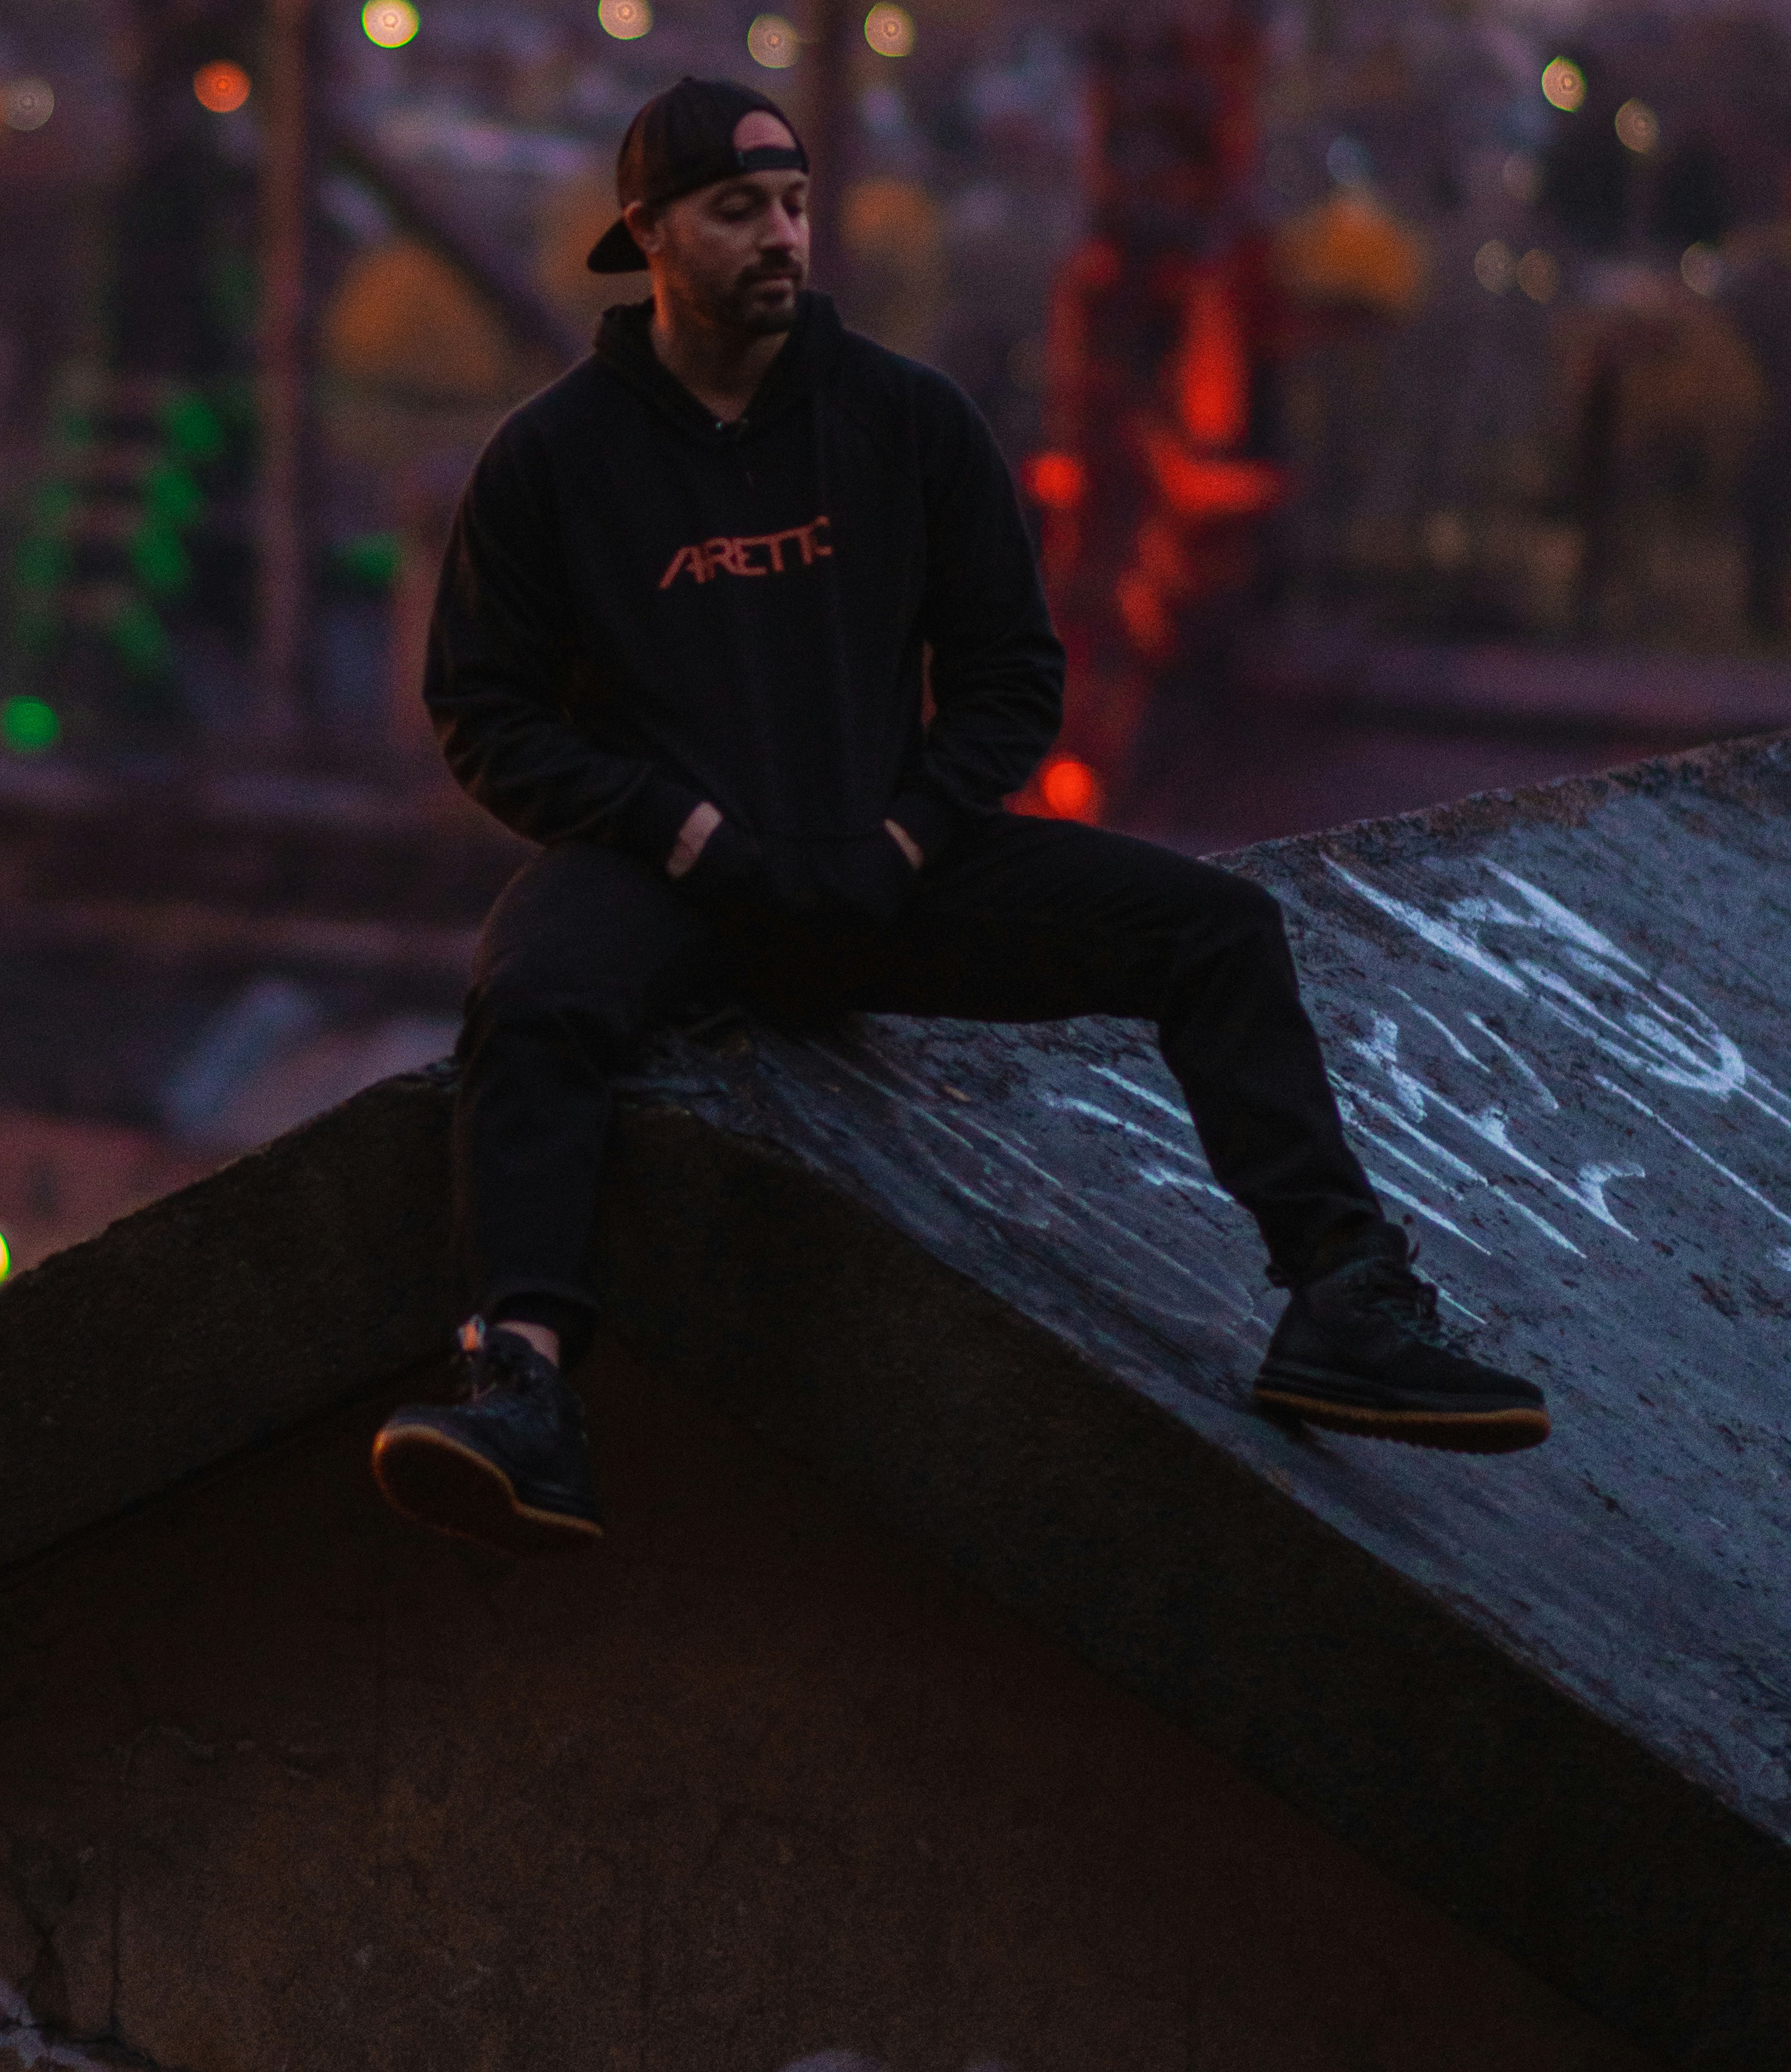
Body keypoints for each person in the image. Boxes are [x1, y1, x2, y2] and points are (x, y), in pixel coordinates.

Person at [372, 75, 1547, 1554]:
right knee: (533, 993)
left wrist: (913, 832)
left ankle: (1344, 1299)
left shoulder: (904, 422)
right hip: (670, 883)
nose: (780, 234)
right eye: (738, 209)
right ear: (650, 233)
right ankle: (524, 1391)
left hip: (890, 872)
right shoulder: (554, 460)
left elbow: (1010, 675)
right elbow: (488, 714)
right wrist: (680, 832)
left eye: (793, 203)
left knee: (1214, 928)